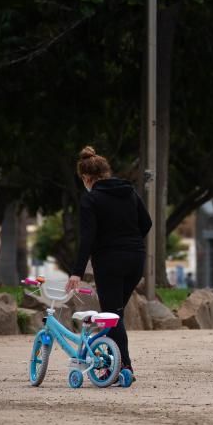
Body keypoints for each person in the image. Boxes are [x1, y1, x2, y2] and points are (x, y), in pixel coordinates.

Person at [66, 146, 152, 380]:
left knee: (113, 316)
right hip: (136, 259)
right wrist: (130, 239)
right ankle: (115, 364)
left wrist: (76, 273)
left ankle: (124, 368)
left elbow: (87, 239)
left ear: (86, 178)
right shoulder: (130, 192)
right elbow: (147, 223)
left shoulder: (91, 199)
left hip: (109, 262)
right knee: (115, 315)